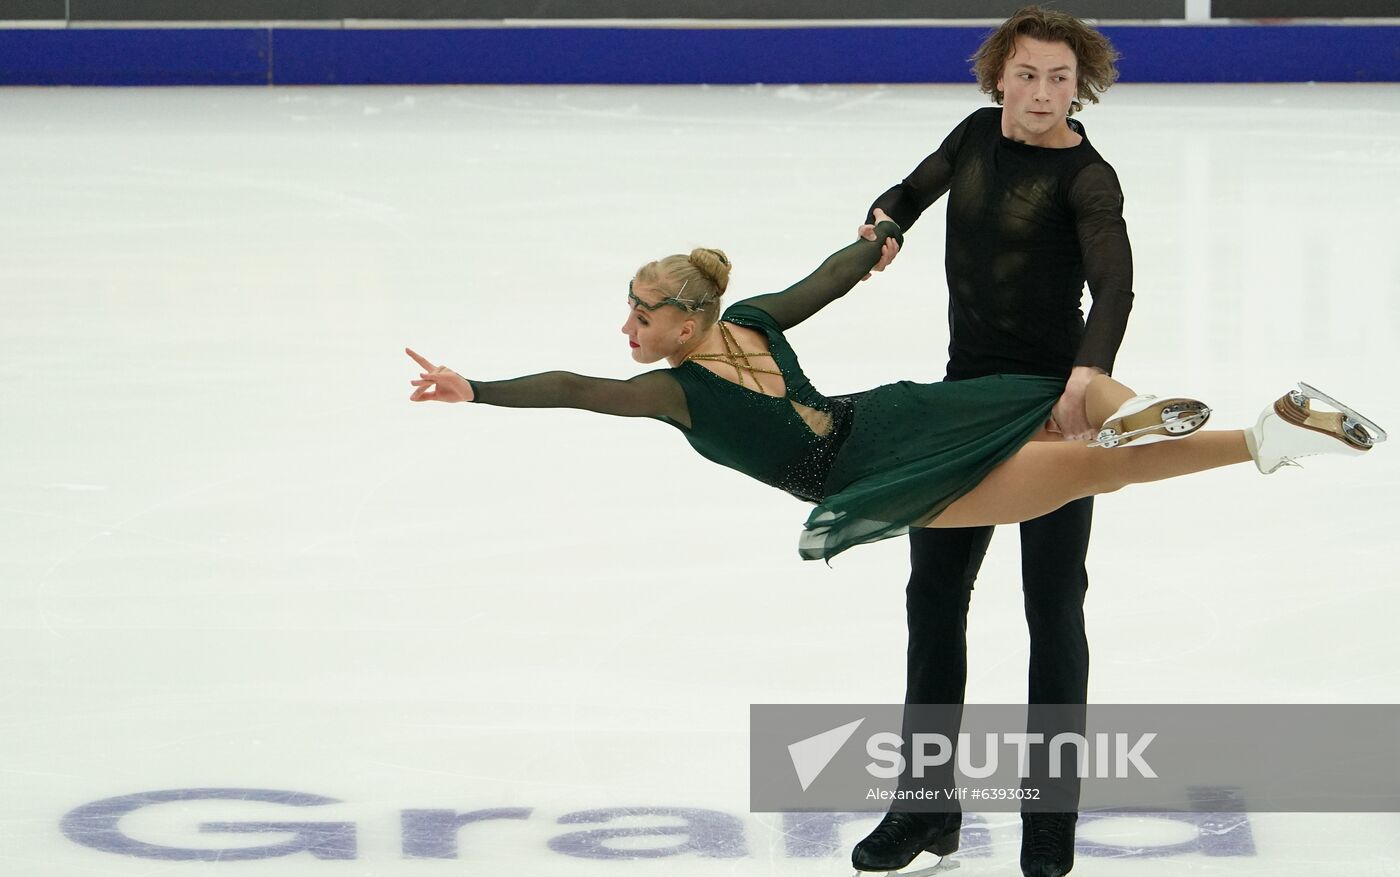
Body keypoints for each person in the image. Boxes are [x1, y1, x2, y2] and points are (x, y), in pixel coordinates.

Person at [405, 216, 1381, 571]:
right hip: (884, 445)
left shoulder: (708, 357)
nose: (628, 331)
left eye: (640, 315)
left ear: (685, 317)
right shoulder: (710, 355)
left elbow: (817, 285)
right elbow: (580, 388)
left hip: (882, 444)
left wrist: (871, 244)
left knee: (1078, 433)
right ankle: (1264, 430)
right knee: (1075, 438)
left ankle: (1234, 429)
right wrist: (474, 389)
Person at [851, 6, 1133, 877]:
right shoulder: (974, 135)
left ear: (1076, 85)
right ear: (998, 76)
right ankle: (925, 805)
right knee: (934, 596)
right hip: (959, 403)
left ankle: (1050, 815)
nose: (1042, 94)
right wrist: (885, 218)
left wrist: (1087, 376)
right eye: (1027, 75)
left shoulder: (1088, 178)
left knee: (1052, 607)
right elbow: (911, 189)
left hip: (1050, 413)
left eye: (1059, 79)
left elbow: (1115, 286)